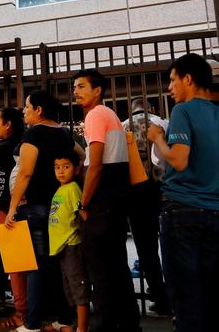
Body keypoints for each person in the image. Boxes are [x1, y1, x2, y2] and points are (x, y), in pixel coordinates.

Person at [146, 54, 218, 332]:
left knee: (186, 298)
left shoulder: (182, 111)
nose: (170, 87)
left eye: (173, 80)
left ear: (188, 79)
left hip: (182, 213)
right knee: (210, 296)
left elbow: (178, 159)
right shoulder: (217, 113)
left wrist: (157, 138)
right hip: (214, 212)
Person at [5, 90, 80, 332]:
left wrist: (12, 206)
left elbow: (25, 173)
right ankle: (64, 318)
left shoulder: (34, 134)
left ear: (39, 110)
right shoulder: (64, 133)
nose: (24, 111)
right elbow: (81, 155)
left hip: (37, 207)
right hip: (61, 206)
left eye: (27, 107)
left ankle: (32, 322)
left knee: (35, 265)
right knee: (56, 263)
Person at [73, 69, 140, 332]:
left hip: (102, 201)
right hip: (117, 198)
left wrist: (84, 203)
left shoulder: (95, 115)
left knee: (99, 273)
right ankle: (130, 325)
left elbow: (96, 167)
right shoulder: (110, 114)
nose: (76, 91)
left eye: (81, 86)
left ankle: (104, 326)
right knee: (118, 269)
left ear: (97, 90)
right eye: (74, 87)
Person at [121, 98, 170, 315]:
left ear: (132, 109)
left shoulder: (123, 126)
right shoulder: (162, 123)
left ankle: (159, 296)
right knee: (170, 243)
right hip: (164, 188)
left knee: (146, 247)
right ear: (151, 108)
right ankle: (176, 294)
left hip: (136, 192)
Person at [0, 107, 27, 329]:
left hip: (6, 211)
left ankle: (21, 312)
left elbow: (0, 184)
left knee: (15, 264)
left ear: (8, 125)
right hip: (24, 207)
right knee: (25, 263)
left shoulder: (5, 150)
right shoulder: (25, 143)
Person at [49, 150, 90, 332]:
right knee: (70, 288)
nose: (61, 171)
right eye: (57, 167)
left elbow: (82, 213)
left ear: (75, 169)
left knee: (78, 287)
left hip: (72, 245)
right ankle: (76, 324)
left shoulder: (73, 188)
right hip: (62, 247)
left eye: (66, 167)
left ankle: (82, 327)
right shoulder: (60, 189)